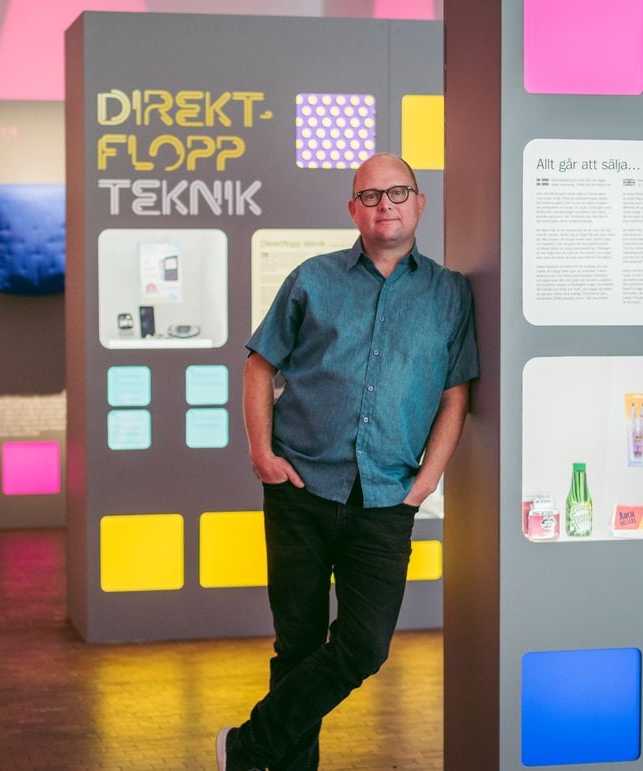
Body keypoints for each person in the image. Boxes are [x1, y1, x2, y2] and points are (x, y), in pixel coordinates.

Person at [216, 152, 479, 771]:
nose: (384, 205)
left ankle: (247, 747)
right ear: (352, 209)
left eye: (398, 193)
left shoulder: (449, 294)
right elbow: (260, 364)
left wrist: (425, 483)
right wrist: (262, 453)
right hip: (300, 491)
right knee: (299, 645)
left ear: (419, 203)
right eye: (370, 196)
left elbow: (454, 394)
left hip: (387, 500)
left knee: (363, 647)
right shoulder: (314, 278)